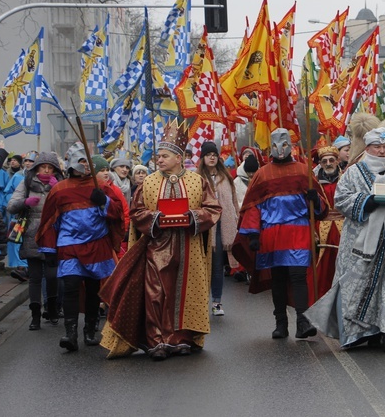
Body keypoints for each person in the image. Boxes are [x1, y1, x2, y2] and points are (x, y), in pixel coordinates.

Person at [99, 120, 221, 360]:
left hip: (190, 246)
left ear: (178, 157)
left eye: (164, 156)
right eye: (158, 156)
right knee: (156, 292)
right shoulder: (150, 182)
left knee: (183, 291)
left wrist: (192, 216)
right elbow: (137, 212)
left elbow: (213, 208)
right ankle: (156, 340)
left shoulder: (197, 181)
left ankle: (180, 338)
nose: (160, 160)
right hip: (157, 245)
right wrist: (156, 219)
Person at [306, 127, 385, 355]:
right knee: (356, 284)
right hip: (360, 243)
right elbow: (341, 198)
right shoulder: (352, 173)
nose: (382, 151)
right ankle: (357, 332)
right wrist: (366, 202)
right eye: (377, 147)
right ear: (368, 148)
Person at [233, 128, 328, 340]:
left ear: (290, 146)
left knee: (298, 275)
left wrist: (314, 199)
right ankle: (281, 323)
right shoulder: (262, 174)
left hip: (299, 231)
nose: (280, 149)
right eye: (276, 145)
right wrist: (253, 234)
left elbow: (320, 211)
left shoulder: (304, 171)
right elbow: (253, 206)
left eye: (284, 144)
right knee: (278, 277)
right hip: (272, 234)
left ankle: (303, 322)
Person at [36, 142, 125, 352]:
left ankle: (91, 330)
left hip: (97, 245)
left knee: (94, 288)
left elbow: (118, 213)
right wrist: (49, 250)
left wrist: (104, 201)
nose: (84, 165)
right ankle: (70, 332)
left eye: (87, 161)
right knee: (71, 286)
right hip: (69, 246)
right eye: (81, 160)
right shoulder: (59, 190)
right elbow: (49, 221)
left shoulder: (100, 187)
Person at [7, 152, 64, 330]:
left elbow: (69, 208)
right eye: (43, 167)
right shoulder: (27, 183)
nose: (46, 170)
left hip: (53, 235)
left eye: (50, 167)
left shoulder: (60, 184)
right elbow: (11, 206)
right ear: (36, 168)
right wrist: (25, 202)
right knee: (35, 278)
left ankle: (52, 309)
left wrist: (59, 191)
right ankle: (35, 316)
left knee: (52, 276)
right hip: (32, 234)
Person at [197, 140, 239, 316]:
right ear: (203, 158)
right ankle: (198, 304)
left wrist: (237, 220)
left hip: (224, 227)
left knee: (217, 267)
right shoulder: (197, 179)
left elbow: (234, 202)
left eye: (214, 155)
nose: (212, 158)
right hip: (205, 228)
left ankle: (217, 302)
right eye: (208, 155)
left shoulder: (226, 177)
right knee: (201, 268)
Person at [308, 146, 344, 302]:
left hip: (344, 227)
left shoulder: (347, 180)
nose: (328, 163)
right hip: (322, 228)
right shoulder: (314, 183)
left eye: (331, 160)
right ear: (320, 164)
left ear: (337, 161)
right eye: (324, 161)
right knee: (321, 268)